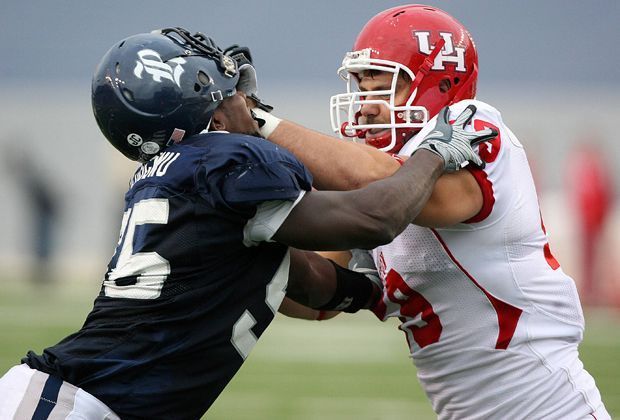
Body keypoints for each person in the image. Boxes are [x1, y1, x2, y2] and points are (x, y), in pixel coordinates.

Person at [0, 27, 493, 419]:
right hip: (74, 405)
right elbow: (374, 218)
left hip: (81, 398)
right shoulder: (226, 161)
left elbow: (300, 275)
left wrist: (373, 296)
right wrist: (433, 154)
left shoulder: (177, 175)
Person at [245, 5, 611, 420]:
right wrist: (241, 240)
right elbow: (315, 299)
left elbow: (389, 187)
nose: (364, 106)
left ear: (438, 84)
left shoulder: (470, 125)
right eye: (360, 88)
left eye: (380, 87)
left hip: (548, 407)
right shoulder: (379, 186)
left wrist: (255, 122)